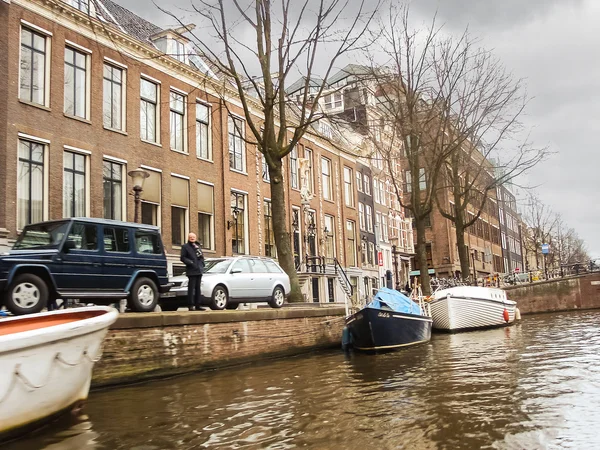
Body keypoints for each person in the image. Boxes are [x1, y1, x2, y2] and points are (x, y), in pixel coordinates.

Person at [180, 233, 205, 311]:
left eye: (193, 237)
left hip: (199, 270)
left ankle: (198, 305)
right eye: (190, 237)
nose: (192, 238)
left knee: (198, 288)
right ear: (188, 238)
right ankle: (190, 305)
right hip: (191, 270)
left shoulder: (198, 246)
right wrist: (191, 263)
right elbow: (182, 258)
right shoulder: (185, 247)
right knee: (191, 288)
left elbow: (201, 256)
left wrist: (202, 264)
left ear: (195, 238)